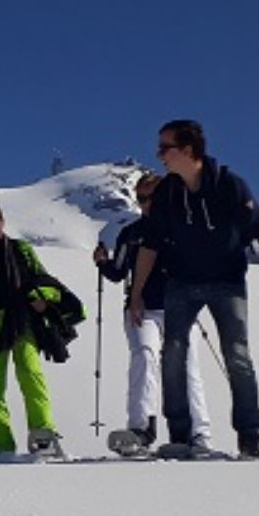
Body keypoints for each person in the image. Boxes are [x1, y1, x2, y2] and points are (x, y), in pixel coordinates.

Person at [127, 120, 259, 459]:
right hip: (182, 284)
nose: (159, 155)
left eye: (165, 148)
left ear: (188, 150)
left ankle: (250, 435)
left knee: (237, 355)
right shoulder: (168, 193)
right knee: (173, 353)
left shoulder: (230, 186)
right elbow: (150, 246)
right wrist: (136, 293)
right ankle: (181, 436)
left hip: (227, 283)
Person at [95, 172, 209, 455]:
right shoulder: (131, 234)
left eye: (152, 197)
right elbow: (118, 272)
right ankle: (140, 429)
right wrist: (103, 263)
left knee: (186, 366)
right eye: (142, 198)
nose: (147, 203)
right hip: (142, 308)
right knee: (144, 357)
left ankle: (198, 433)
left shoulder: (183, 229)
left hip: (179, 308)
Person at [0, 202, 67, 457]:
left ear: (2, 222)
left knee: (30, 373)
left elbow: (44, 279)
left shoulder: (20, 250)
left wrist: (41, 297)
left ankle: (43, 433)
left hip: (21, 319)